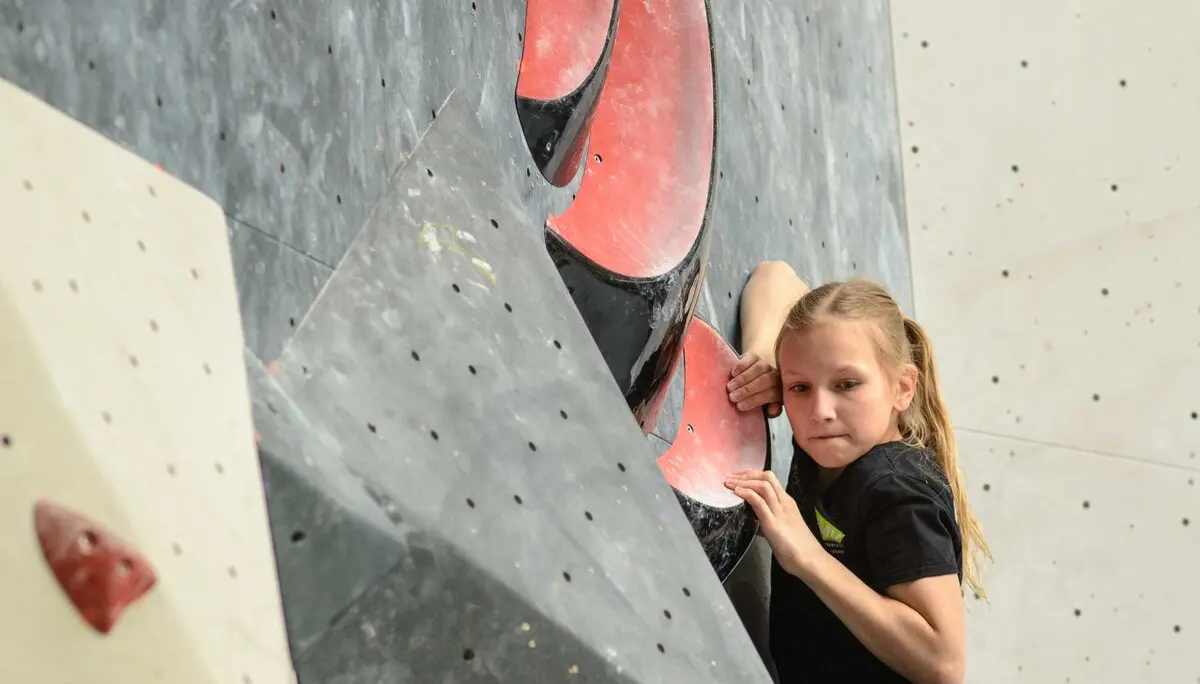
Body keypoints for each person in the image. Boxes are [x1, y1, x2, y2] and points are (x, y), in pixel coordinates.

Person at [723, 261, 990, 684]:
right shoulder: (836, 436)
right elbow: (775, 276)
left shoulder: (900, 495)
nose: (820, 411)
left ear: (902, 387)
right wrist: (762, 356)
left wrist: (808, 557)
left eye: (847, 385)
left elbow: (944, 664)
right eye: (801, 388)